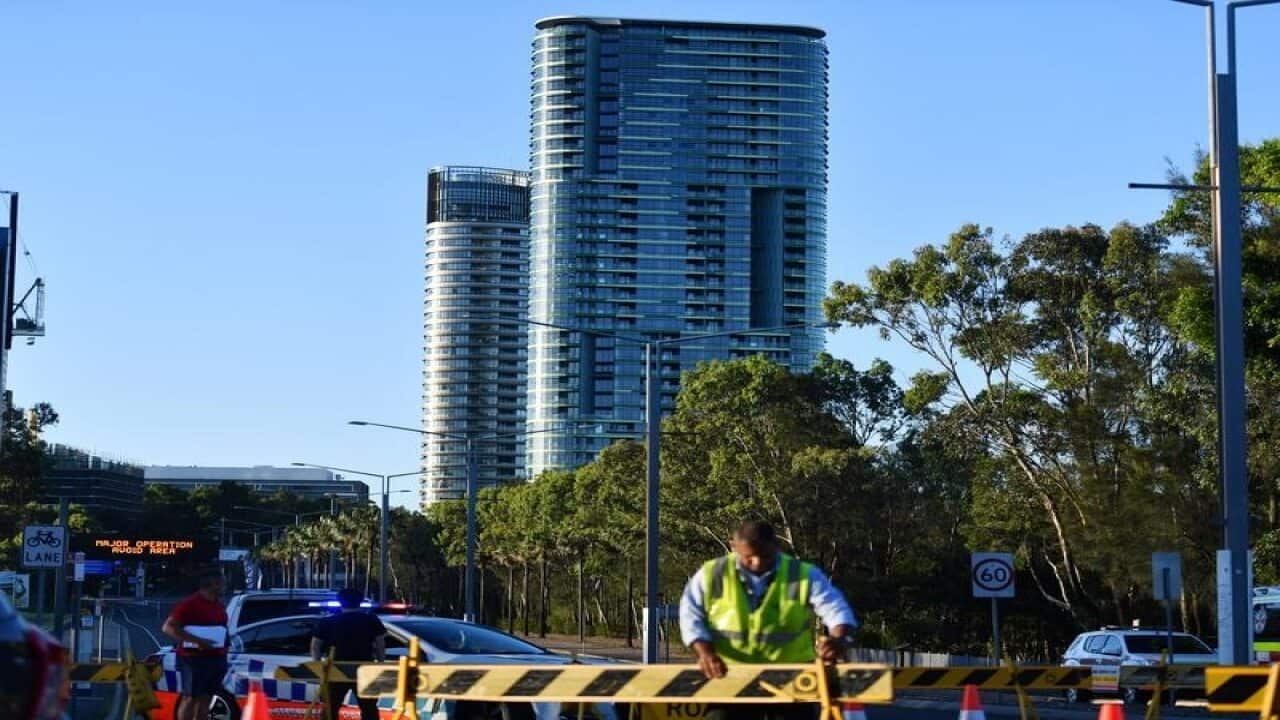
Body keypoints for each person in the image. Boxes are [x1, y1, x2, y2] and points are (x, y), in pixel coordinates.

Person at [679, 521, 859, 720]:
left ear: (775, 546)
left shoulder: (802, 574)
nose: (757, 562)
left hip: (792, 682)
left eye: (765, 555)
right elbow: (690, 616)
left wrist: (839, 639)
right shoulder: (713, 574)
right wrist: (705, 653)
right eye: (748, 557)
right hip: (729, 677)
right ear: (733, 547)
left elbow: (836, 610)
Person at [311, 588, 386, 720]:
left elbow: (315, 646)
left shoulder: (327, 622)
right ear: (361, 601)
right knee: (369, 709)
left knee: (330, 708)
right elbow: (380, 645)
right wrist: (380, 663)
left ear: (340, 602)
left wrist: (318, 666)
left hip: (335, 670)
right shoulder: (371, 620)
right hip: (364, 670)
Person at [162, 572, 229, 720]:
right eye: (223, 583)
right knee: (190, 698)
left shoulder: (219, 605)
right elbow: (168, 627)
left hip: (216, 658)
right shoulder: (189, 604)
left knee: (207, 698)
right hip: (193, 659)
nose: (225, 587)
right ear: (214, 584)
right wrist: (199, 641)